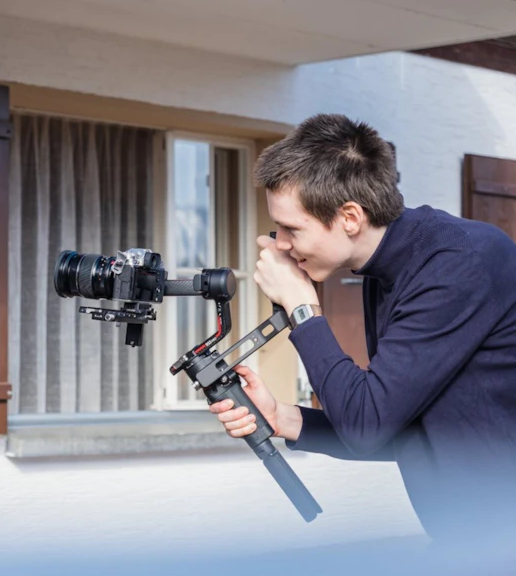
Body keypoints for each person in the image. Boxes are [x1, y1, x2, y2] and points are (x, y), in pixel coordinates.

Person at [210, 114, 516, 545]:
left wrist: (301, 305)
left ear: (350, 216)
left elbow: (367, 425)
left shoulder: (458, 263)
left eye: (291, 228)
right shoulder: (384, 270)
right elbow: (394, 422)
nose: (279, 244)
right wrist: (285, 418)